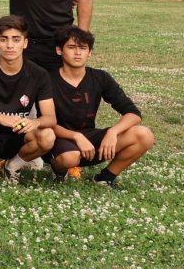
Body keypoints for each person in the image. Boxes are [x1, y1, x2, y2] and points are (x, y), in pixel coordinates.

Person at [48, 26, 154, 188]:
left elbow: (133, 113)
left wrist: (113, 132)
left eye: (83, 48)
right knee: (69, 157)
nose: (77, 53)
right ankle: (59, 171)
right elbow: (46, 122)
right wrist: (76, 137)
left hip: (91, 138)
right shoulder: (47, 80)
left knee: (144, 135)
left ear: (90, 52)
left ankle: (106, 177)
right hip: (60, 138)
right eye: (71, 47)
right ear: (59, 50)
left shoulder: (100, 77)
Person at [0, 15, 57, 184]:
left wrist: (35, 122)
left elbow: (50, 118)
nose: (9, 45)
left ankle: (13, 166)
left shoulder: (39, 74)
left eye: (16, 39)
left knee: (47, 135)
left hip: (19, 135)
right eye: (3, 39)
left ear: (25, 43)